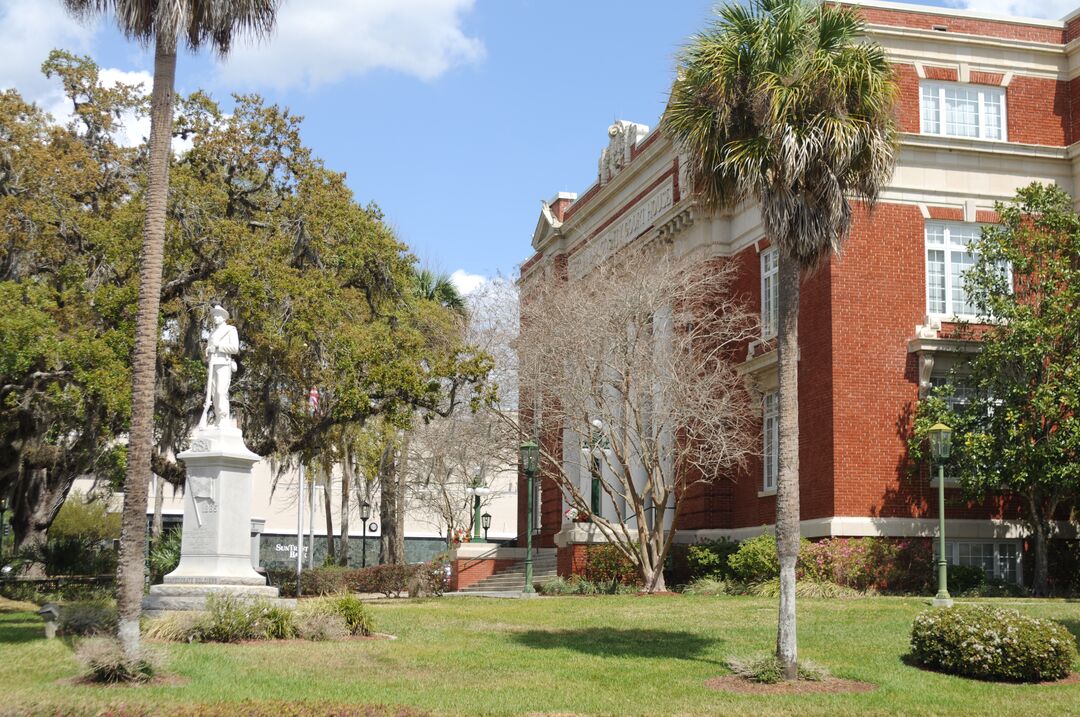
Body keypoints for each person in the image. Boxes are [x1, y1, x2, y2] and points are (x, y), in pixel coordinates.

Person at [203, 305, 239, 427]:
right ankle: (218, 418)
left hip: (224, 363)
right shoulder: (212, 333)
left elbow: (234, 348)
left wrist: (218, 346)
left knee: (220, 391)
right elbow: (209, 348)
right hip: (212, 364)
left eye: (217, 315)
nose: (215, 317)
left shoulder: (230, 329)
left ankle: (223, 417)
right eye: (214, 315)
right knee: (213, 393)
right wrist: (208, 350)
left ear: (224, 317)